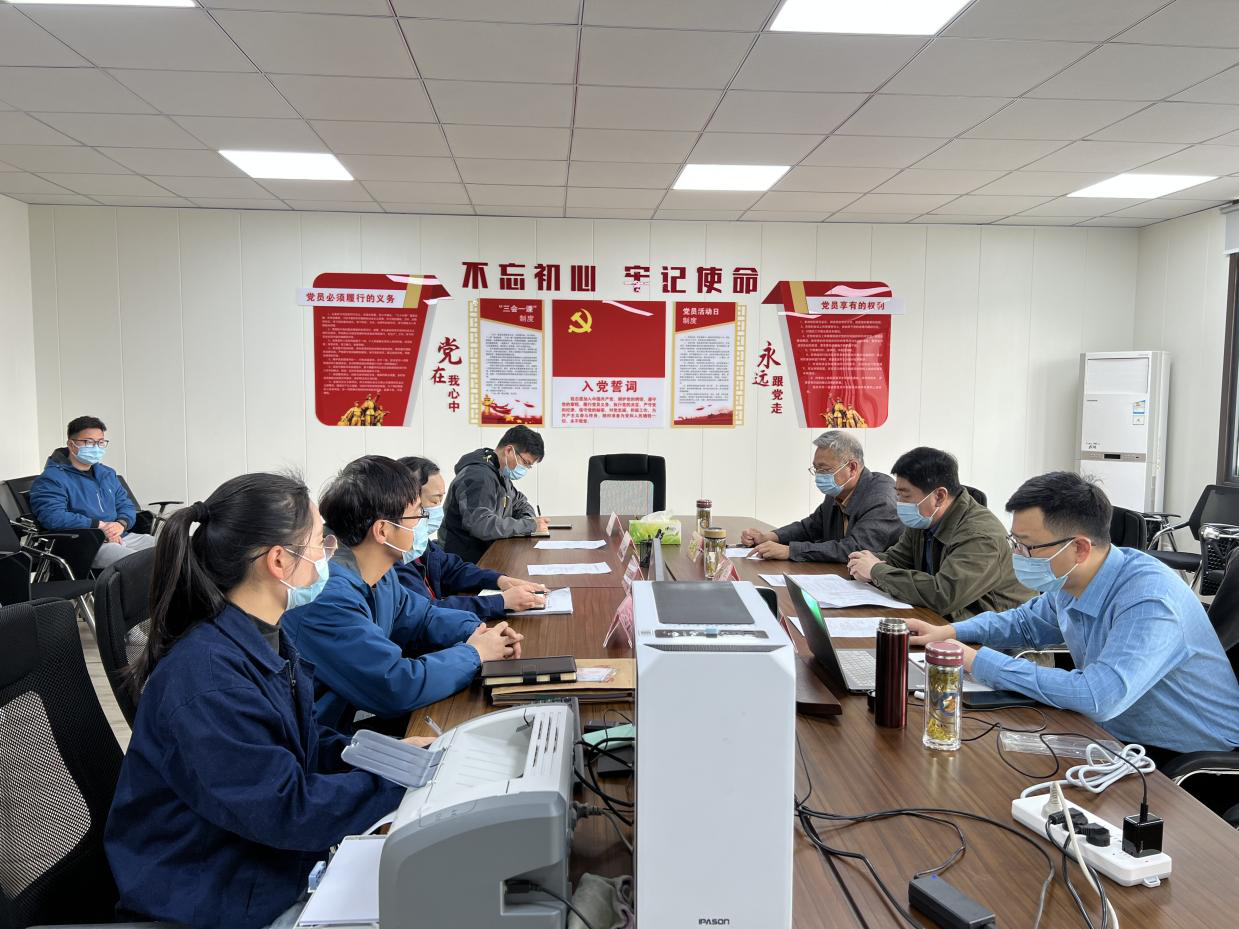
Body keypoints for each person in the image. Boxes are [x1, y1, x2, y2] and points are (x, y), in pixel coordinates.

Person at [104, 473, 414, 929]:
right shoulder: (210, 682)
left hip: (260, 866)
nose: (328, 553)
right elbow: (289, 810)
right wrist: (398, 786)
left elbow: (300, 744)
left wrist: (390, 759)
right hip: (216, 899)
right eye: (319, 541)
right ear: (279, 561)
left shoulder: (261, 635)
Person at [908, 472, 1239, 756]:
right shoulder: (1073, 578)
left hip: (1190, 761)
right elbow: (1025, 623)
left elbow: (1098, 696)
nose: (1017, 555)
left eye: (1027, 546)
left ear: (1079, 548)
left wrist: (977, 661)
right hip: (1114, 736)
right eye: (1015, 542)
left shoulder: (1150, 599)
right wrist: (951, 632)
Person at [282, 455, 521, 733]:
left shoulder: (381, 574)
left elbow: (422, 618)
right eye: (418, 514)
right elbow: (394, 685)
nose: (423, 523)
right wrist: (474, 653)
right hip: (318, 743)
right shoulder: (327, 595)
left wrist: (477, 632)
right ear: (383, 530)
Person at [847, 446, 1032, 620]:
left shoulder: (981, 536)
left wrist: (875, 571)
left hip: (994, 635)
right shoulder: (924, 518)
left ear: (939, 496)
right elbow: (898, 559)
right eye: (898, 495)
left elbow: (944, 595)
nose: (899, 503)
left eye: (906, 495)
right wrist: (862, 561)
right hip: (947, 622)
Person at [396, 456, 548, 618]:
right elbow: (425, 612)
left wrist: (500, 580)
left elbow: (453, 569)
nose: (439, 509)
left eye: (441, 499)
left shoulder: (419, 543)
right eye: (434, 501)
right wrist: (501, 602)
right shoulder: (393, 557)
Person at [740, 430, 901, 562]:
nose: (819, 475)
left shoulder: (881, 498)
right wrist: (769, 537)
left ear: (852, 468)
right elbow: (810, 527)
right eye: (816, 469)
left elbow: (856, 548)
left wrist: (790, 551)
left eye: (825, 469)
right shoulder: (838, 491)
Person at [29, 415, 156, 568]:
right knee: (143, 563)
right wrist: (99, 526)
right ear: (71, 444)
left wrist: (120, 524)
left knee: (171, 547)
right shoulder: (52, 478)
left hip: (120, 535)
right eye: (89, 442)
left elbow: (126, 505)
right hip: (87, 543)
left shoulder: (107, 474)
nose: (96, 447)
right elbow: (53, 517)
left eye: (100, 442)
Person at [440, 424, 550, 563]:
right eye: (525, 463)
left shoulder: (499, 472)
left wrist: (528, 520)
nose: (525, 468)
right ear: (509, 450)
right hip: (463, 561)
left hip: (487, 552)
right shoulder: (479, 476)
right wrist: (529, 526)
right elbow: (481, 524)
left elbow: (520, 503)